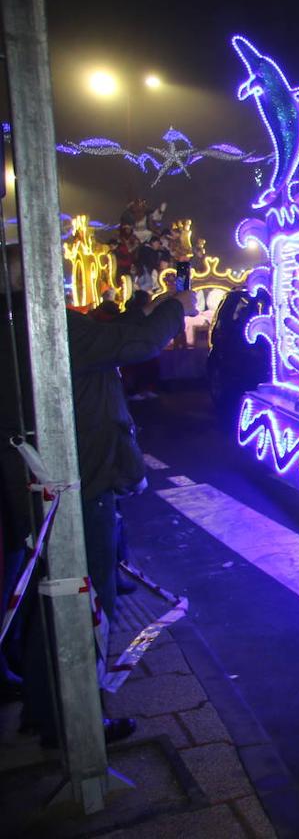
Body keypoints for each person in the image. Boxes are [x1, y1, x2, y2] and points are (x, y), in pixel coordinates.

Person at [1, 244, 194, 745]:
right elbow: (133, 345)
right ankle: (79, 724)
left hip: (41, 483)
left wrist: (140, 310)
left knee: (50, 599)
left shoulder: (17, 324)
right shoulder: (45, 324)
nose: (62, 279)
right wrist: (176, 307)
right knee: (84, 599)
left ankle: (47, 709)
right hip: (74, 484)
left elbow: (109, 339)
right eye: (51, 271)